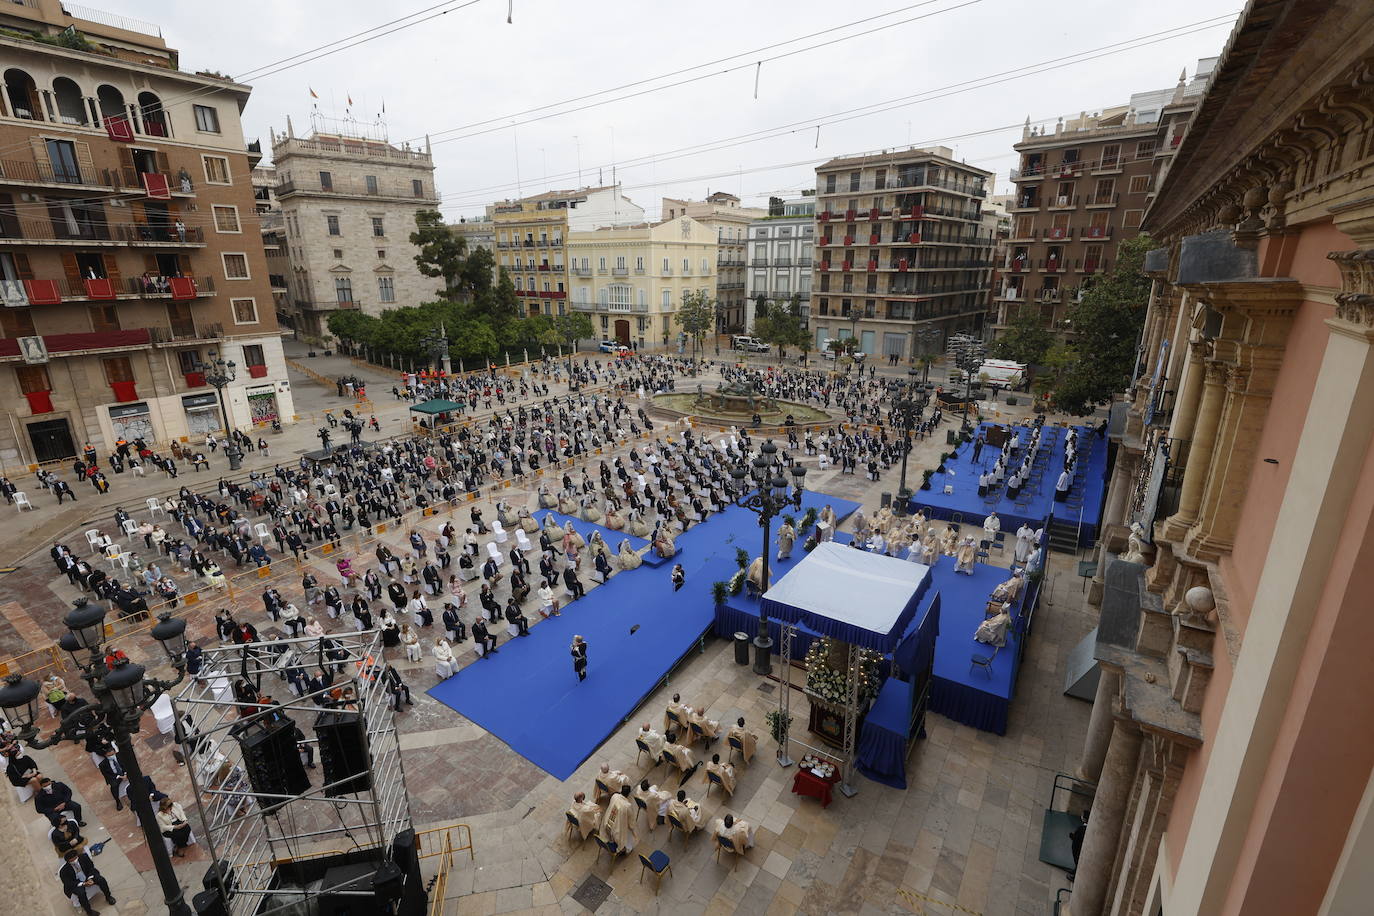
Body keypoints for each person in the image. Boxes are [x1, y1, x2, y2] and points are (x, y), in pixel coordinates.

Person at [59, 849, 115, 915]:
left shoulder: (84, 857)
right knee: (81, 893)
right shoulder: (64, 871)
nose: (75, 860)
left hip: (87, 876)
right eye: (72, 860)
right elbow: (68, 883)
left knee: (101, 879)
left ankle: (108, 896)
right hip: (76, 884)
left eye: (76, 858)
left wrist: (90, 878)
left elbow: (91, 867)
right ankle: (89, 911)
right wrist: (83, 883)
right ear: (68, 861)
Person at [601, 784, 637, 852]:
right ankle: (625, 848)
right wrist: (632, 827)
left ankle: (611, 839)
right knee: (628, 833)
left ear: (621, 790)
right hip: (616, 831)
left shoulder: (615, 796)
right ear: (628, 794)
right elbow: (631, 820)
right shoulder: (627, 806)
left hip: (606, 822)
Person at [97, 745, 129, 810]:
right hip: (115, 776)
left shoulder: (121, 756)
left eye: (112, 754)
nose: (111, 756)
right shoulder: (102, 765)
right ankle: (118, 801)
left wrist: (125, 774)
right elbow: (107, 775)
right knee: (114, 786)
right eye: (109, 755)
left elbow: (126, 764)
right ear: (105, 755)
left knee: (137, 775)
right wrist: (120, 777)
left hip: (124, 772)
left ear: (115, 752)